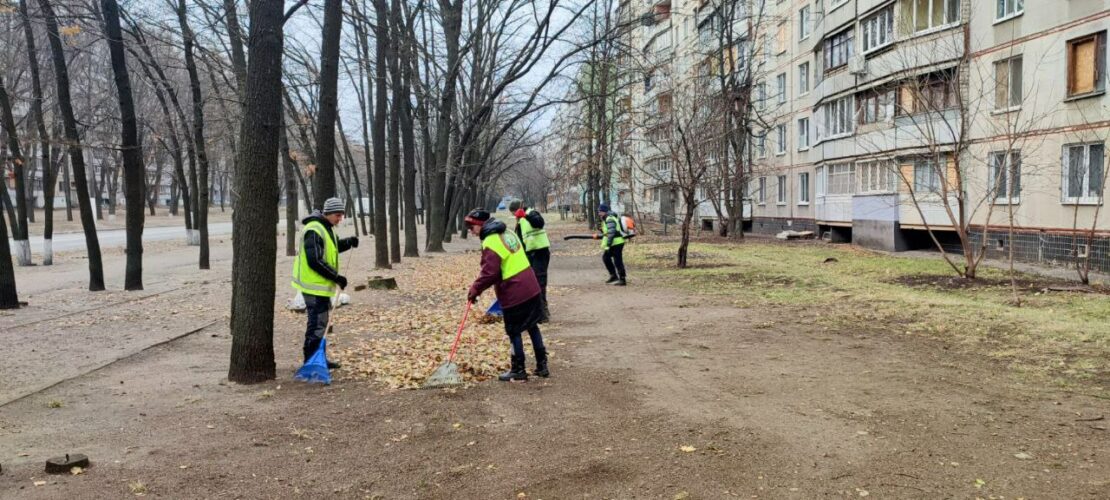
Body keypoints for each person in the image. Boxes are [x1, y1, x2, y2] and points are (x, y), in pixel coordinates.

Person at [465, 208, 549, 381]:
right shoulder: (507, 232)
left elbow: (490, 273)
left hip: (514, 291)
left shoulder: (491, 241)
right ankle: (542, 365)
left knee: (514, 330)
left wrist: (475, 289)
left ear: (480, 225)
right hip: (531, 285)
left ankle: (518, 369)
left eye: (471, 226)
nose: (470, 231)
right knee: (532, 325)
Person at [291, 197, 358, 368]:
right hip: (313, 287)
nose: (340, 219)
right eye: (337, 215)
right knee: (316, 324)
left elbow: (333, 247)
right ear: (327, 213)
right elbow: (315, 260)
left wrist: (349, 242)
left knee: (322, 324)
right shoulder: (314, 229)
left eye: (341, 215)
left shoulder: (326, 228)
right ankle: (311, 362)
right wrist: (336, 277)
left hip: (321, 287)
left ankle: (319, 359)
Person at [509, 199, 551, 322]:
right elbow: (522, 240)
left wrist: (525, 215)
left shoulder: (532, 213)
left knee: (539, 282)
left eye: (513, 213)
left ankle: (543, 314)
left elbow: (540, 223)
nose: (514, 216)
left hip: (540, 253)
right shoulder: (520, 221)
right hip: (529, 255)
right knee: (531, 283)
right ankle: (535, 311)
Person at [596, 204, 627, 286]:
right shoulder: (606, 218)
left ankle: (622, 279)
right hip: (614, 242)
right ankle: (613, 276)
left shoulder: (609, 218)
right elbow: (608, 232)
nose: (599, 213)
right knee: (606, 258)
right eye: (598, 212)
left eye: (600, 211)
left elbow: (611, 233)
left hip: (617, 243)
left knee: (617, 261)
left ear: (604, 211)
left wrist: (608, 245)